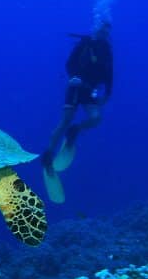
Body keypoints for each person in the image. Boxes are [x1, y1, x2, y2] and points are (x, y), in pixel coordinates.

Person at [41, 21, 113, 203]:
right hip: (76, 87)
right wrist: (73, 78)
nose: (104, 32)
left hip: (91, 90)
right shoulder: (84, 44)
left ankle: (75, 131)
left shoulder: (107, 49)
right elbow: (69, 64)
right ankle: (48, 155)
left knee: (96, 118)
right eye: (101, 29)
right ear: (96, 29)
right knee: (64, 121)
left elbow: (110, 73)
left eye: (107, 30)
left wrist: (108, 93)